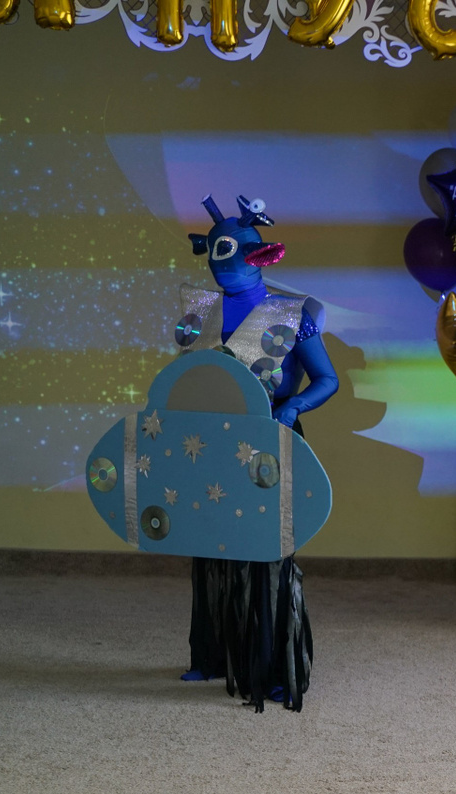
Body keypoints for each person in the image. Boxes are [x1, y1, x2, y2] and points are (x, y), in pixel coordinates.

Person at [177, 195, 337, 713]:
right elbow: (189, 374)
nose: (221, 267)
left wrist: (293, 407)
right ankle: (214, 654)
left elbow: (327, 379)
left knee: (268, 552)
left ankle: (273, 668)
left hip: (269, 438)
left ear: (259, 256)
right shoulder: (200, 311)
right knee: (210, 545)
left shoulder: (291, 314)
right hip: (213, 441)